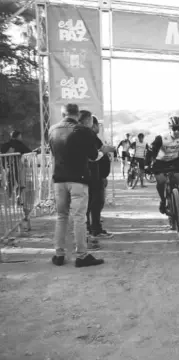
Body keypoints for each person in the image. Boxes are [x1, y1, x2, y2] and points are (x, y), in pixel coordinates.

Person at [48, 103, 113, 267]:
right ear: (77, 114)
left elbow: (53, 154)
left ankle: (59, 254)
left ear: (63, 114)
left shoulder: (52, 130)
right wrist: (103, 152)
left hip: (59, 179)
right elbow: (93, 156)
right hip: (78, 179)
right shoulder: (83, 130)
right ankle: (82, 256)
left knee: (61, 217)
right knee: (79, 218)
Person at [149, 116, 179, 219]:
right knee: (161, 181)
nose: (177, 131)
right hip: (160, 162)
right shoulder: (161, 138)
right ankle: (163, 201)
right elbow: (151, 152)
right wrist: (147, 165)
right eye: (174, 129)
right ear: (169, 129)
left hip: (174, 161)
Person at [86, 114, 113, 239]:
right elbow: (95, 155)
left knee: (93, 203)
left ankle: (92, 227)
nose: (98, 128)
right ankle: (94, 229)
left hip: (96, 175)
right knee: (96, 203)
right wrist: (106, 150)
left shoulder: (91, 137)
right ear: (94, 125)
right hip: (94, 176)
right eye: (97, 125)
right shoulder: (90, 137)